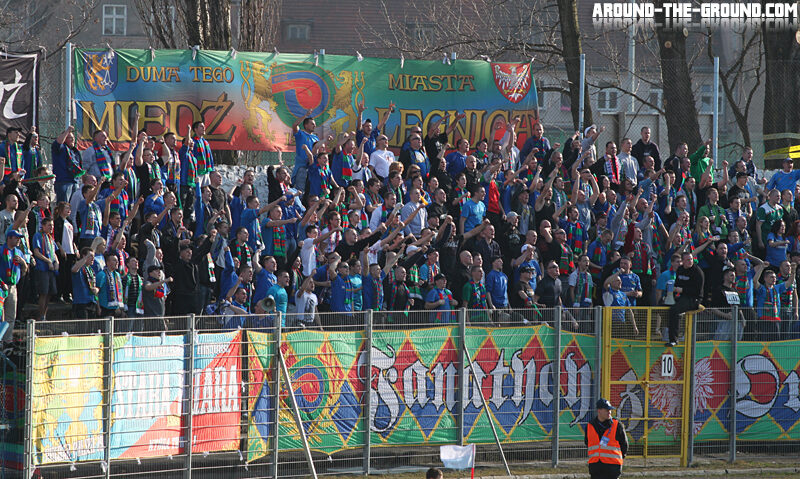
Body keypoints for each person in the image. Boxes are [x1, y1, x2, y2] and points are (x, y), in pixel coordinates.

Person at [667, 251, 704, 346]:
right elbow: (677, 284)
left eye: (691, 259)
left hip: (694, 299)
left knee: (674, 310)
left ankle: (673, 340)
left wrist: (682, 290)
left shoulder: (697, 272)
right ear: (682, 261)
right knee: (663, 304)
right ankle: (664, 332)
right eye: (687, 260)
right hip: (682, 296)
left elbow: (698, 291)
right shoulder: (680, 270)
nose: (690, 261)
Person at [585, 398, 628, 479]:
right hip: (596, 467)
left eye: (610, 410)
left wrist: (618, 458)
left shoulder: (617, 425)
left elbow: (624, 445)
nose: (609, 412)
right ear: (599, 411)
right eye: (607, 410)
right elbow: (587, 442)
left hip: (612, 467)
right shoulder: (590, 426)